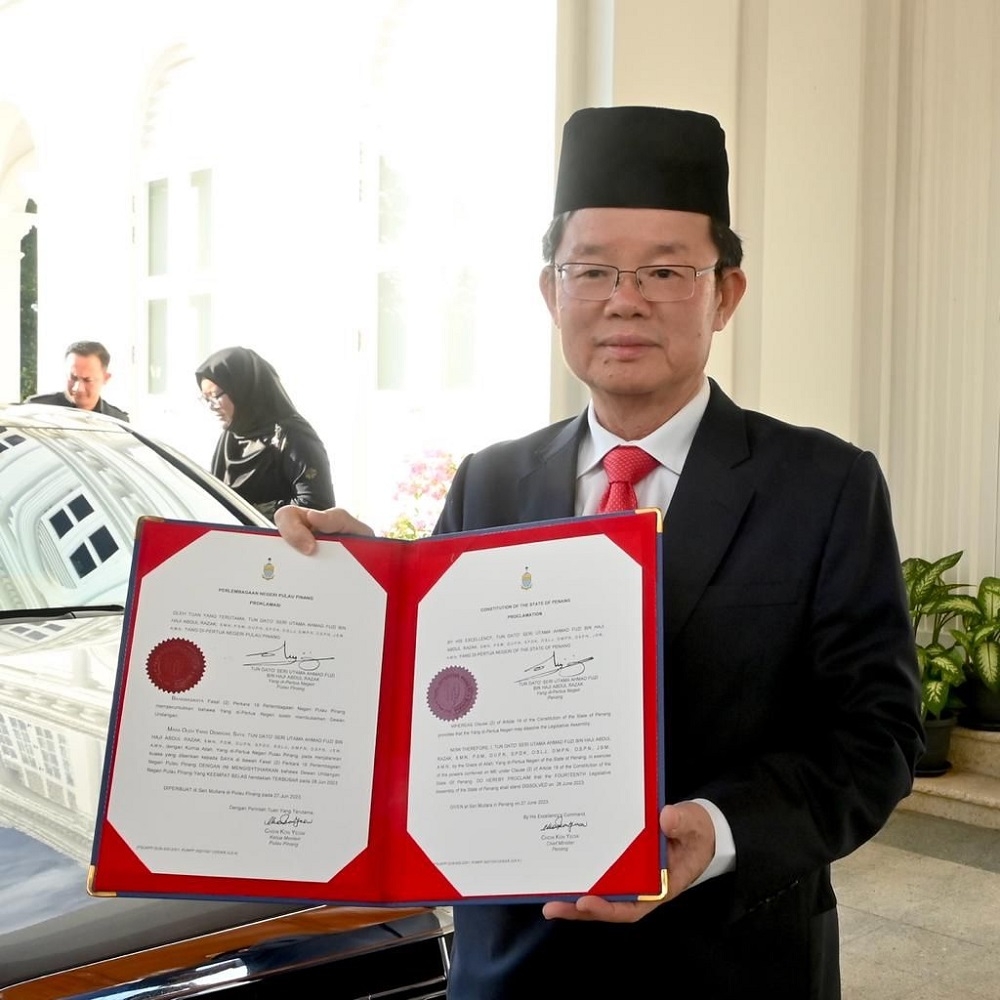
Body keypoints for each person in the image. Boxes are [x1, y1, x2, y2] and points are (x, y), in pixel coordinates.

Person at [274, 106, 924, 997]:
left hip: (732, 965)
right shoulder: (491, 482)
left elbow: (876, 737)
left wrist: (716, 829)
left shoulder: (823, 486)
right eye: (592, 270)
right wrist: (363, 594)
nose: (626, 299)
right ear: (552, 292)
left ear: (726, 293)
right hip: (514, 966)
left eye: (666, 270)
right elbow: (435, 700)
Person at [195, 346, 334, 521]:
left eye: (215, 396)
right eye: (206, 398)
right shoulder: (231, 438)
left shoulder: (293, 437)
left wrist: (251, 513)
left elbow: (317, 507)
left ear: (242, 388)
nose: (211, 406)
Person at [25, 340, 129, 421]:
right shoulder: (36, 410)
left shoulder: (117, 421)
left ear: (105, 378)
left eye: (88, 380)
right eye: (73, 378)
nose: (78, 388)